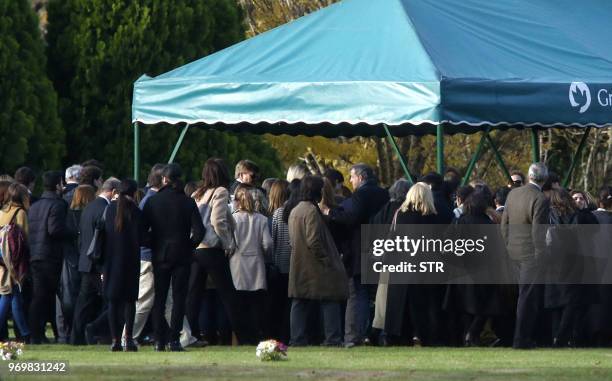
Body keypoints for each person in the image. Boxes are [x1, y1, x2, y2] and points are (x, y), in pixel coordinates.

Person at [143, 163, 204, 351]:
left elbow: (143, 230)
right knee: (179, 298)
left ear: (164, 179)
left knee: (159, 298)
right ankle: (175, 339)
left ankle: (159, 340)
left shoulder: (153, 201)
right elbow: (200, 231)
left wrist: (153, 243)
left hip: (160, 253)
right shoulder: (187, 201)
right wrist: (189, 245)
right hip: (182, 254)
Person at [326, 163, 389, 347]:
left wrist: (330, 212)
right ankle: (376, 334)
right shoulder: (383, 194)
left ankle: (356, 335)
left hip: (361, 250)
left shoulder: (361, 195)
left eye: (352, 177)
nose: (351, 181)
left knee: (358, 293)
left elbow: (351, 216)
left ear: (361, 177)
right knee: (376, 294)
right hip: (380, 248)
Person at [187, 159, 248, 344]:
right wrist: (229, 242)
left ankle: (191, 334)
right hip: (212, 248)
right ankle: (244, 337)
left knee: (194, 295)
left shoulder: (198, 194)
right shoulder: (220, 192)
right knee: (228, 294)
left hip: (196, 248)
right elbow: (218, 220)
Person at [287, 176, 348, 346]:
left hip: (299, 262)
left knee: (299, 301)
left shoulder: (296, 209)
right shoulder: (312, 211)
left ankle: (297, 339)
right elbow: (313, 240)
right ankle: (333, 339)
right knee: (330, 299)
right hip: (315, 265)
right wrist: (327, 259)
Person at [501, 162, 550, 349]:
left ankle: (516, 337)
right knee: (527, 299)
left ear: (529, 176)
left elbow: (504, 224)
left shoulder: (513, 194)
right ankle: (521, 340)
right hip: (531, 255)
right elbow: (539, 232)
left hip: (513, 251)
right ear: (544, 179)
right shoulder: (540, 199)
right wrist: (541, 255)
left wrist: (508, 244)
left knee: (518, 298)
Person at [384, 182, 439, 346]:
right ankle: (424, 336)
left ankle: (397, 336)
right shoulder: (432, 217)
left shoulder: (399, 214)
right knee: (422, 306)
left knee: (399, 304)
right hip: (423, 268)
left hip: (400, 266)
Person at [71, 178, 120, 345]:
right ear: (113, 192)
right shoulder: (106, 209)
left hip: (85, 261)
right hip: (98, 264)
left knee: (83, 303)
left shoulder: (89, 207)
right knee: (111, 300)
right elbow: (104, 239)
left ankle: (76, 337)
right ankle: (100, 331)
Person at [27, 171, 71, 344]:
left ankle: (36, 333)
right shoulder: (57, 205)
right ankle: (39, 334)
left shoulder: (36, 205)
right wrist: (73, 233)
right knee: (46, 296)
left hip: (35, 254)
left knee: (39, 296)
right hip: (50, 256)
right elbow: (54, 230)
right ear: (58, 185)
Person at [103, 179, 145, 351]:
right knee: (129, 302)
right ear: (134, 193)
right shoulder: (135, 211)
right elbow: (142, 237)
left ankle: (114, 340)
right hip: (130, 261)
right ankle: (128, 339)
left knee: (113, 302)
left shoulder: (110, 209)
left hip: (111, 261)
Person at [124, 164, 164, 343]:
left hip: (150, 255)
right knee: (144, 300)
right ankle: (128, 336)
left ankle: (185, 335)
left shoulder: (149, 199)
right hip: (149, 256)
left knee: (166, 299)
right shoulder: (152, 200)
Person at [230, 184, 272, 343]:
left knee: (240, 304)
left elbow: (229, 242)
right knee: (256, 304)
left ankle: (242, 337)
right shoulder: (261, 219)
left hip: (237, 265)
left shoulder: (233, 218)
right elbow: (267, 244)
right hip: (256, 265)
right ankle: (256, 335)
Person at [371, 179, 410, 346]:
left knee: (381, 301)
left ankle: (376, 333)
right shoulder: (404, 212)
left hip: (385, 259)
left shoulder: (383, 211)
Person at [58, 185, 96, 344]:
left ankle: (71, 331)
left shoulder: (68, 214)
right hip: (86, 260)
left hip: (72, 260)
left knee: (73, 297)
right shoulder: (88, 214)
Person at [0, 183, 31, 343]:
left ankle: (25, 333)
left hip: (2, 261)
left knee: (13, 296)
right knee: (8, 295)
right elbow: (25, 239)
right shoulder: (20, 213)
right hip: (14, 263)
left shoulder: (2, 212)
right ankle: (25, 334)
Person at [267, 179, 291, 342]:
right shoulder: (292, 211)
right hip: (292, 263)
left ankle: (278, 335)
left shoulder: (277, 213)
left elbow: (272, 240)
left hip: (279, 263)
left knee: (278, 304)